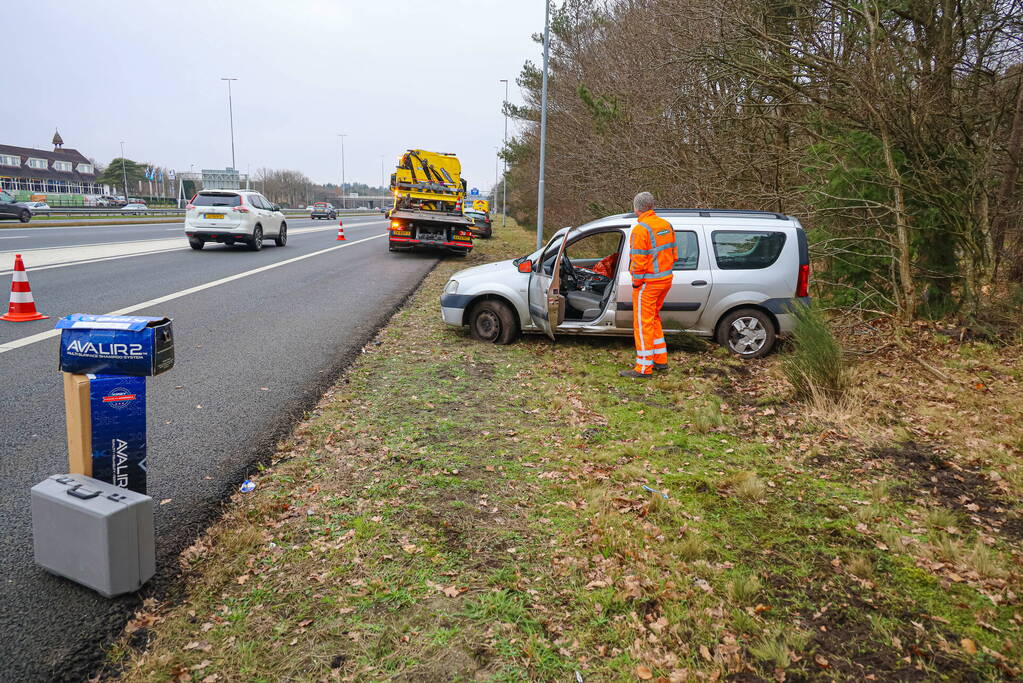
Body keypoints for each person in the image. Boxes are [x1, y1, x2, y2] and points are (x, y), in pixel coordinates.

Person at [620, 192, 677, 378]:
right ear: (651, 206)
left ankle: (644, 368)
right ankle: (660, 360)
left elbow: (638, 261)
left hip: (648, 284)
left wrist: (636, 283)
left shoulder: (640, 229)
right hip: (665, 280)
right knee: (653, 319)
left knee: (642, 324)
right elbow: (674, 254)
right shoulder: (665, 225)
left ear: (636, 208)